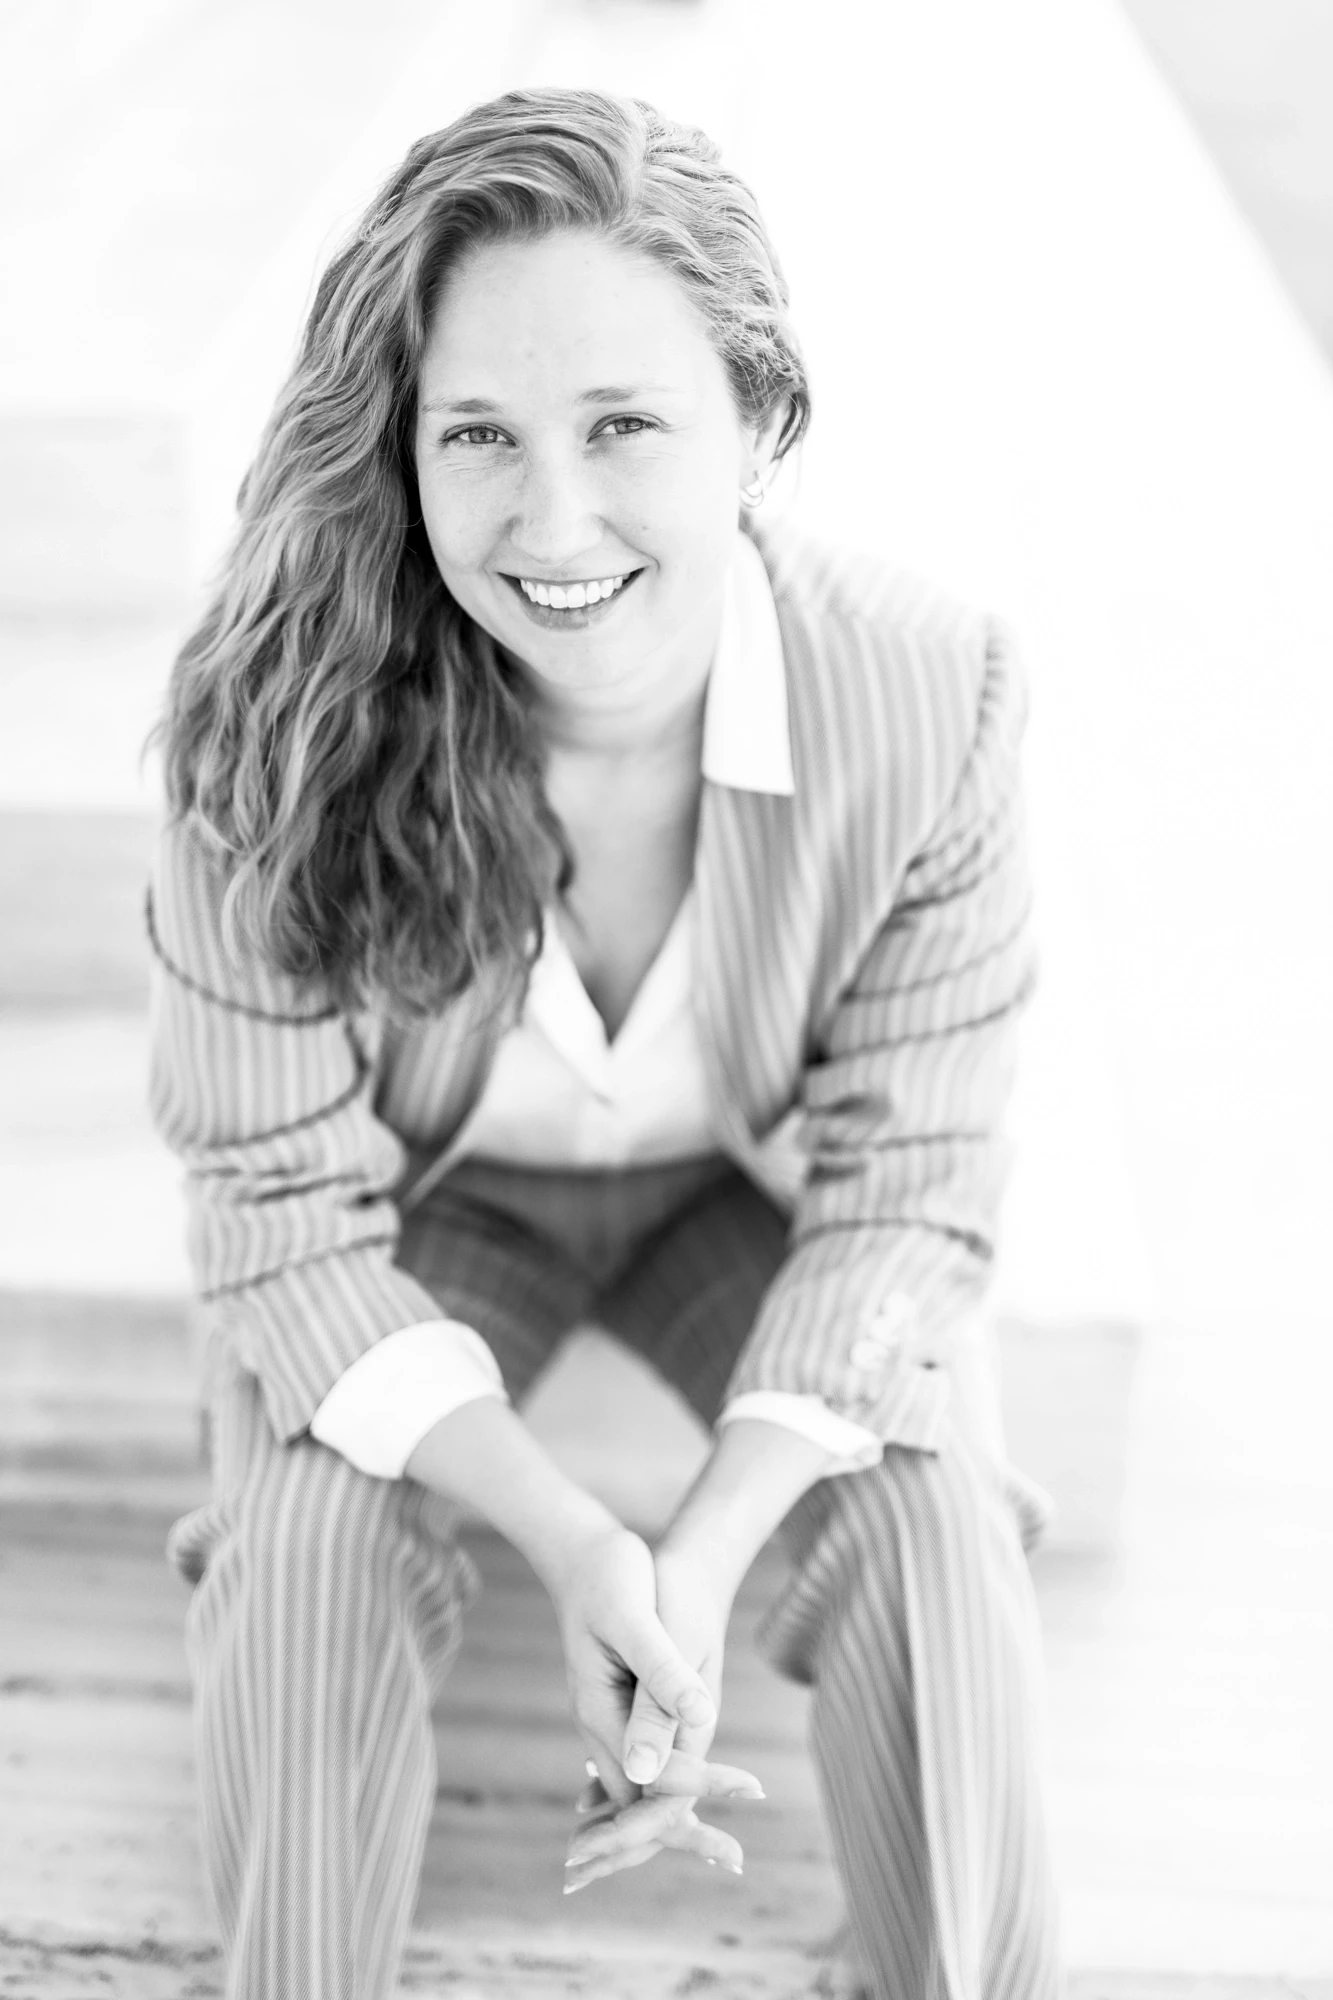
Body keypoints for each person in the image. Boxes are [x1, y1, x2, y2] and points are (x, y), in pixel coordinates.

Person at [148, 86, 1061, 2000]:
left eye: (624, 424)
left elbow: (910, 1189)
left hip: (731, 1197)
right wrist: (575, 1542)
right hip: (429, 1216)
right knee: (308, 1533)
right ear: (398, 451)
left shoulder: (936, 687)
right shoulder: (276, 721)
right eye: (477, 433)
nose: (550, 521)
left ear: (758, 422)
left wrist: (706, 1546)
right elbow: (278, 1215)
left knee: (934, 1506)